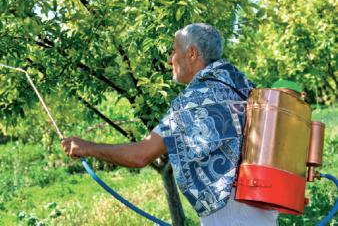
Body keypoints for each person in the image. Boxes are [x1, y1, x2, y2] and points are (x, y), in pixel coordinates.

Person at [62, 23, 278, 225]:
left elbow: (140, 155)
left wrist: (87, 147)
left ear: (192, 53)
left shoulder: (192, 103)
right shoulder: (249, 92)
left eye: (174, 51)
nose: (169, 60)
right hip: (265, 212)